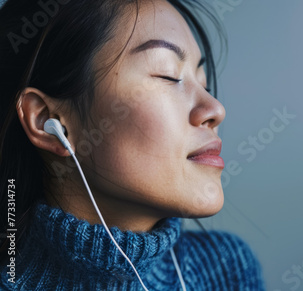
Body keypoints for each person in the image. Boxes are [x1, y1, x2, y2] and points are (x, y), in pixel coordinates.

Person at [0, 0, 265, 290]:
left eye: (204, 84)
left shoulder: (225, 271)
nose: (215, 109)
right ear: (49, 122)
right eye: (168, 75)